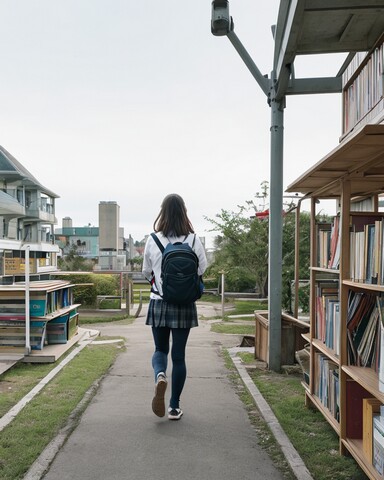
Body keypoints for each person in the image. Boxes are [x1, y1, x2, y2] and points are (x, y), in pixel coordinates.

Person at [142, 193, 207, 421]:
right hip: (184, 304)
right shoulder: (193, 239)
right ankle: (174, 407)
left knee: (160, 350)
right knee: (179, 357)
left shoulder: (153, 239)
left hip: (159, 302)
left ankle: (160, 375)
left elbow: (146, 272)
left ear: (163, 212)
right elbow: (201, 270)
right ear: (184, 212)